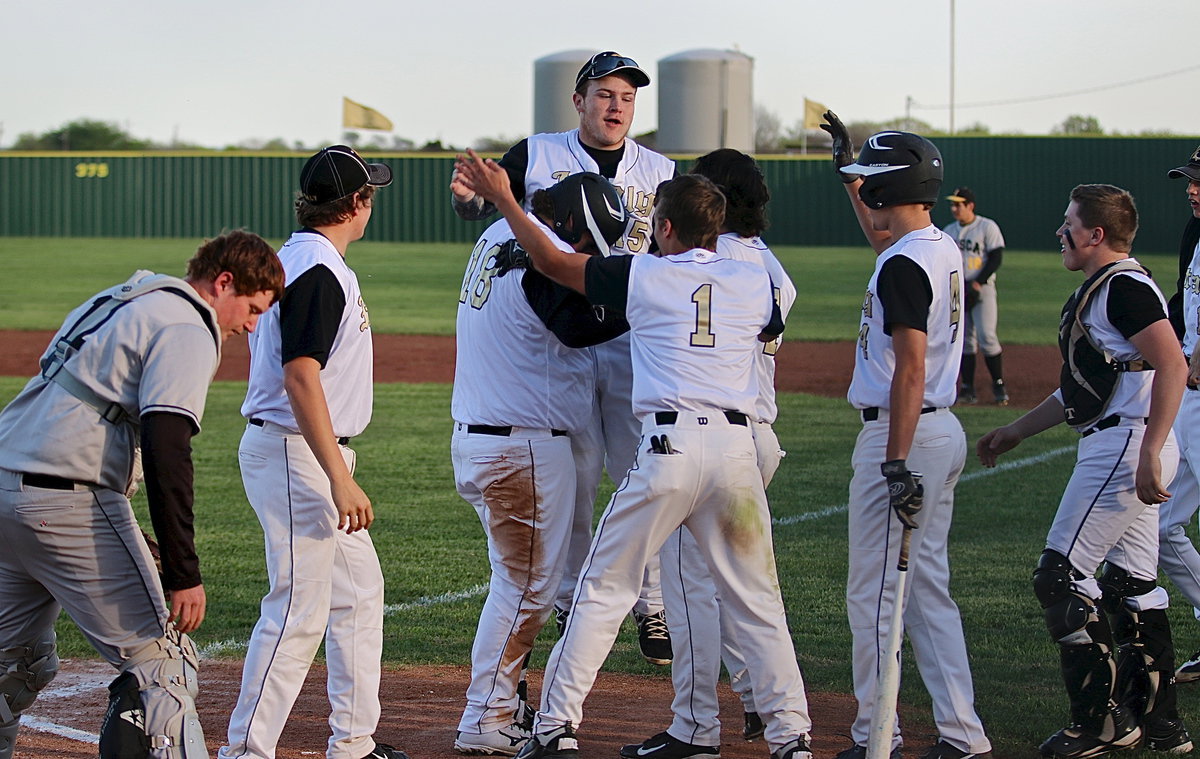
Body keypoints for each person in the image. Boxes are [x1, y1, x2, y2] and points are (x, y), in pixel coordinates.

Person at [457, 150, 815, 759]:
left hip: (669, 450)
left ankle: (554, 727)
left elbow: (550, 261)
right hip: (736, 453)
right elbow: (765, 323)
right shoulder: (758, 282)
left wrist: (506, 200)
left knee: (603, 587)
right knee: (758, 602)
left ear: (666, 228)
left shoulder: (645, 276)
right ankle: (792, 737)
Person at [0, 230, 284, 759]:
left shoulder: (125, 298)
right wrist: (183, 573)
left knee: (11, 663)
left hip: (5, 490)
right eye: (252, 307)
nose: (251, 324)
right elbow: (166, 447)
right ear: (223, 282)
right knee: (164, 665)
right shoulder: (189, 326)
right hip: (66, 500)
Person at [450, 50, 677, 665]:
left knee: (649, 473)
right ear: (579, 100)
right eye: (605, 94)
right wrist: (469, 198)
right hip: (563, 343)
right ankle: (574, 600)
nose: (616, 106)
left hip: (634, 345)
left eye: (628, 97)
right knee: (574, 479)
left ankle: (651, 603)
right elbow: (481, 206)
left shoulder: (661, 168)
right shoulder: (537, 154)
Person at [977, 184, 1190, 758]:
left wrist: (1151, 448)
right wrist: (1017, 429)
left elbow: (1173, 362)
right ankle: (1161, 723)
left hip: (1124, 446)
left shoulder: (1120, 286)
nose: (1060, 231)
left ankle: (1098, 724)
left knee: (1061, 577)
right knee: (1133, 586)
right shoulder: (1108, 287)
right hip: (1124, 440)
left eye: (1068, 222)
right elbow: (1084, 385)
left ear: (1097, 234)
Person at [218, 146, 408, 759]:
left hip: (302, 451)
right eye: (368, 193)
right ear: (356, 203)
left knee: (359, 594)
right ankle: (245, 751)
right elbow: (300, 376)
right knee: (299, 608)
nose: (370, 203)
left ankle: (353, 743)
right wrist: (338, 477)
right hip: (298, 453)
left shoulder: (296, 258)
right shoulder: (319, 269)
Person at [820, 112, 993, 759]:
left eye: (869, 181)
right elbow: (883, 238)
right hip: (939, 430)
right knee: (925, 592)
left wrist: (894, 461)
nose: (864, 190)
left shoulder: (904, 264)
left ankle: (875, 739)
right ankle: (962, 734)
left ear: (892, 189)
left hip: (904, 436)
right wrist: (846, 171)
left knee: (872, 594)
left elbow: (911, 367)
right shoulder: (938, 245)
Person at [618, 148, 795, 759]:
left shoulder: (693, 264)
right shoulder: (766, 265)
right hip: (752, 436)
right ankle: (764, 708)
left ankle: (694, 727)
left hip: (706, 441)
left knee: (692, 589)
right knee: (747, 590)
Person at [451, 171, 631, 756]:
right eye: (586, 245)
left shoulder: (498, 237)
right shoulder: (539, 254)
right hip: (520, 445)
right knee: (526, 588)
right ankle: (487, 716)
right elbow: (580, 327)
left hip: (490, 436)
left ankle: (498, 707)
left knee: (520, 584)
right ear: (569, 225)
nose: (583, 259)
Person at [1159, 146, 1200, 685]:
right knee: (1164, 524)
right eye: (1190, 180)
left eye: (1199, 180)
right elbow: (1181, 301)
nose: (1192, 188)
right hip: (1189, 390)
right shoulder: (1194, 232)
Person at [943, 187, 1008, 405]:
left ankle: (998, 385)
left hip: (983, 287)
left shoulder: (986, 226)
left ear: (970, 205)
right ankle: (967, 388)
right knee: (965, 340)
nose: (954, 208)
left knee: (987, 336)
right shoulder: (949, 231)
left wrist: (979, 282)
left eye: (958, 204)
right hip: (958, 290)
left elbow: (996, 257)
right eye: (952, 204)